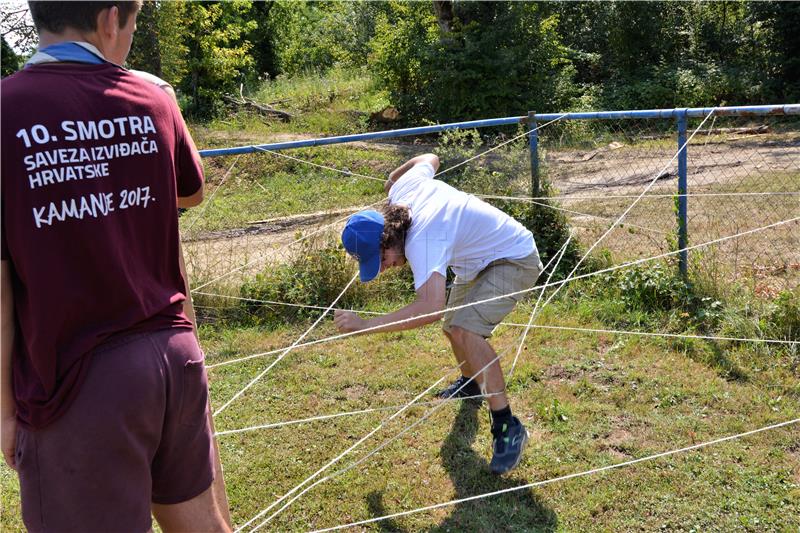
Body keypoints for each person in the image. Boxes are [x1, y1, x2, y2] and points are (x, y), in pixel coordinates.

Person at [0, 2, 230, 531]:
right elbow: (190, 194)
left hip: (79, 384)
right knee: (201, 523)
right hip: (173, 358)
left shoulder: (6, 110)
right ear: (110, 20)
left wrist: (7, 412)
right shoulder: (152, 98)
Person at [334, 153, 543, 474]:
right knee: (452, 328)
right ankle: (472, 382)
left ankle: (507, 426)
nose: (385, 268)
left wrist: (366, 325)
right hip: (476, 263)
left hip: (513, 257)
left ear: (388, 236)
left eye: (382, 259)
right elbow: (431, 158)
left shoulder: (422, 240)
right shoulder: (401, 192)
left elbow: (429, 309)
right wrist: (393, 176)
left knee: (465, 330)